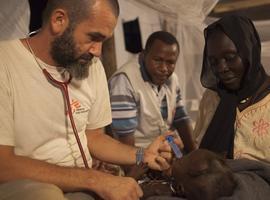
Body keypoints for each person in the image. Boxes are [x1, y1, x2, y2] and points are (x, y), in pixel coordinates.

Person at [0, 1, 174, 200]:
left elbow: (93, 138)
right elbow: (2, 165)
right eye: (93, 37)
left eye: (104, 41)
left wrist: (143, 155)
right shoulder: (4, 63)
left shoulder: (91, 67)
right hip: (33, 188)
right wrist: (93, 179)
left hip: (81, 184)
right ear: (59, 21)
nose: (97, 51)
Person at [193, 14, 270, 164]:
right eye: (213, 62)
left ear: (249, 52)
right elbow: (199, 145)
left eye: (230, 57)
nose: (221, 68)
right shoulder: (211, 98)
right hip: (209, 185)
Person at [109, 31, 196, 153]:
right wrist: (136, 169)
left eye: (170, 62)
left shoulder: (172, 79)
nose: (164, 68)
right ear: (144, 54)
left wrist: (193, 153)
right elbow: (125, 139)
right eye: (158, 60)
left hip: (167, 142)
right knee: (166, 167)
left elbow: (181, 118)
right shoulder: (124, 80)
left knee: (185, 161)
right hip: (138, 152)